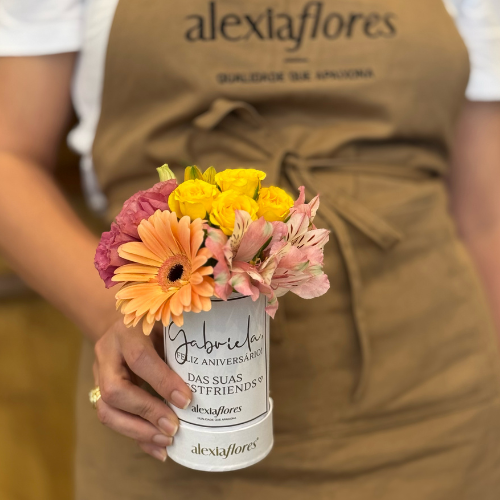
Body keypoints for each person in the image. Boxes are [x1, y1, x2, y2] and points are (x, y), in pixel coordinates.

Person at [1, 0, 500, 498]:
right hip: (175, 421)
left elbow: (484, 219)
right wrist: (110, 314)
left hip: (439, 408)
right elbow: (10, 158)